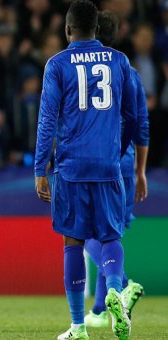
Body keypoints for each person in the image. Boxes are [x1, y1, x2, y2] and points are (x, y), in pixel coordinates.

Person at [33, 1, 138, 339]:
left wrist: (39, 167)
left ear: (67, 29)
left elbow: (47, 119)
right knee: (110, 236)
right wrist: (116, 152)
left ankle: (78, 326)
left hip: (71, 167)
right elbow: (132, 117)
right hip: (108, 166)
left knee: (73, 242)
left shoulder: (57, 63)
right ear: (96, 28)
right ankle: (114, 290)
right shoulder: (119, 61)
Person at [83, 10, 148, 329]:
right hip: (125, 159)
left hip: (93, 158)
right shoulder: (129, 70)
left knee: (89, 233)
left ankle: (121, 285)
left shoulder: (80, 71)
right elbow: (141, 122)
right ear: (117, 35)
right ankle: (99, 310)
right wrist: (140, 169)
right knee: (112, 234)